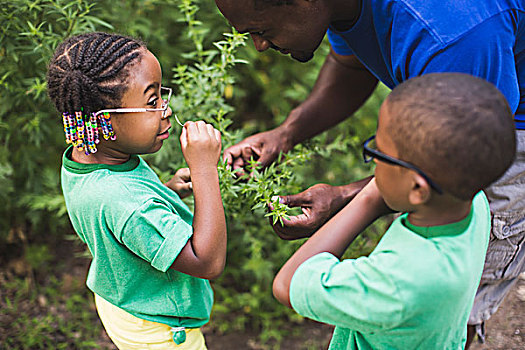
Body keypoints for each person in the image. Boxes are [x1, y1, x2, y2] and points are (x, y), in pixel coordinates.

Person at [213, 0, 525, 345]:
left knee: (466, 307)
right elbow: (351, 66)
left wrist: (354, 199)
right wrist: (285, 135)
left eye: (261, 30)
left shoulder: (453, 38)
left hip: (511, 124)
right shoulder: (468, 209)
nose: (259, 45)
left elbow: (290, 283)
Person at [272, 73, 516, 349]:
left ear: (417, 188)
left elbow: (288, 283)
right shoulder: (476, 205)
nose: (374, 164)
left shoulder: (398, 282)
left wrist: (367, 200)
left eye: (379, 153)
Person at [46, 32, 226, 349]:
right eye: (152, 101)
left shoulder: (87, 157)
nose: (167, 110)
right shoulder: (128, 205)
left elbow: (123, 213)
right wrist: (205, 170)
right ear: (106, 124)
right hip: (161, 331)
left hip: (122, 300)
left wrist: (166, 192)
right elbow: (206, 262)